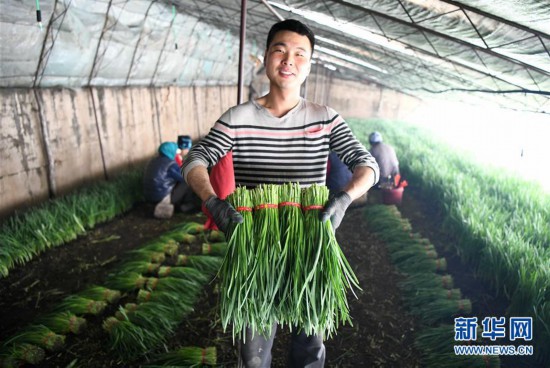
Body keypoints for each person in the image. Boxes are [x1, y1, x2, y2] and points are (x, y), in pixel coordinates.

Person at [182, 19, 379, 367]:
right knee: (252, 351)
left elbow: (367, 165)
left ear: (309, 64)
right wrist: (212, 200)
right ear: (266, 57)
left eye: (300, 54)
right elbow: (196, 159)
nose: (289, 60)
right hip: (254, 244)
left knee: (309, 347)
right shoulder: (237, 118)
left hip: (311, 243)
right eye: (280, 50)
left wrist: (345, 197)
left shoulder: (326, 119)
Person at [143, 142, 199, 219]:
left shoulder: (153, 161)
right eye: (176, 151)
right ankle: (186, 207)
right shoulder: (170, 164)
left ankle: (178, 205)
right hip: (162, 198)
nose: (177, 154)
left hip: (149, 197)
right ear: (171, 151)